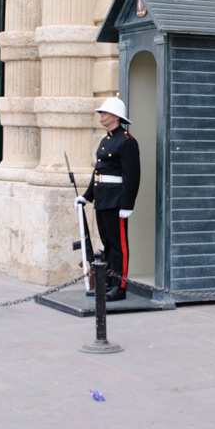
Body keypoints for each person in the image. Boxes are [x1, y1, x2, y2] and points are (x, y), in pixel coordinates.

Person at [75, 97, 140, 301]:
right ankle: (109, 282)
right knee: (107, 244)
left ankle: (120, 286)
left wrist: (127, 204)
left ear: (115, 116)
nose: (101, 115)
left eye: (104, 112)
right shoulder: (106, 141)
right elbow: (98, 172)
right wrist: (86, 197)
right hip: (103, 198)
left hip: (116, 200)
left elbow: (132, 175)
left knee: (119, 245)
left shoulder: (127, 141)